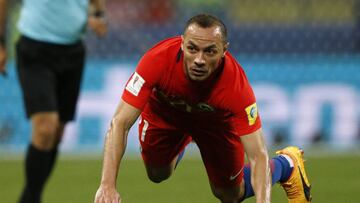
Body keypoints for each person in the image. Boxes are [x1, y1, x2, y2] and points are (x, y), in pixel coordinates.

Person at [94, 14, 311, 203]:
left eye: (210, 51)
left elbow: (258, 156)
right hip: (166, 116)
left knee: (229, 195)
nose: (199, 59)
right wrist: (107, 185)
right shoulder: (156, 60)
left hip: (215, 126)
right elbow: (119, 123)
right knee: (157, 173)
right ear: (182, 44)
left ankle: (287, 165)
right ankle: (184, 138)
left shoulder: (236, 86)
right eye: (192, 48)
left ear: (224, 51)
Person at [0, 0, 107, 202]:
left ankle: (30, 195)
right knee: (45, 128)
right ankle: (32, 198)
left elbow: (96, 4)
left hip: (73, 51)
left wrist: (99, 15)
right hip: (35, 48)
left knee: (57, 132)